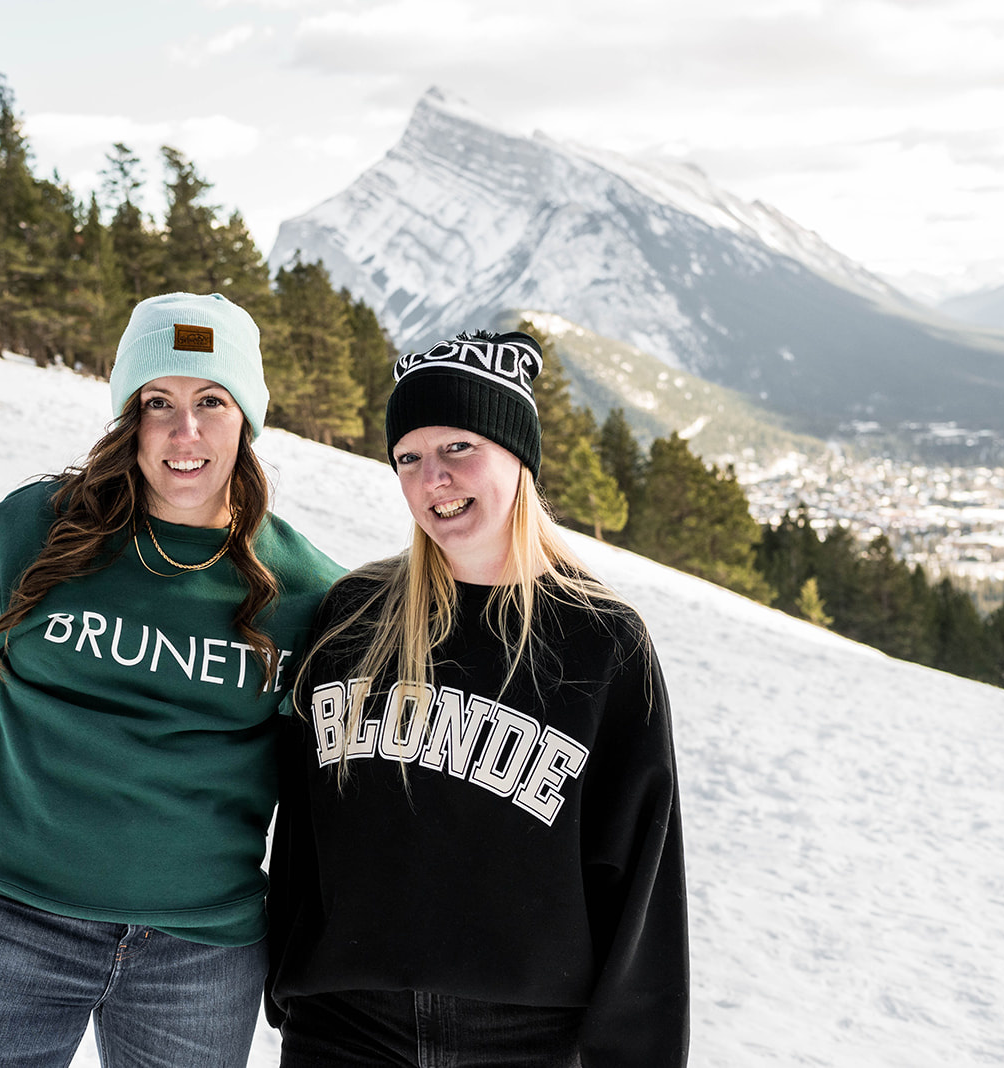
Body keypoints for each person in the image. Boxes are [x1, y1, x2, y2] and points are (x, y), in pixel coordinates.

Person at [0, 291, 343, 1068]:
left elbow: (338, 779)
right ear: (129, 417)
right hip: (10, 921)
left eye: (212, 401)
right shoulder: (36, 533)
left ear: (247, 420)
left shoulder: (309, 594)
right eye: (160, 401)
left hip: (200, 954)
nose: (185, 433)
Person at [265, 329, 689, 1067]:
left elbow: (641, 874)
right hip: (345, 1029)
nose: (434, 479)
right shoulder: (354, 616)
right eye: (409, 458)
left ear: (517, 454)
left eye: (459, 447)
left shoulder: (602, 643)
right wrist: (290, 982)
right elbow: (304, 821)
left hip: (527, 1039)